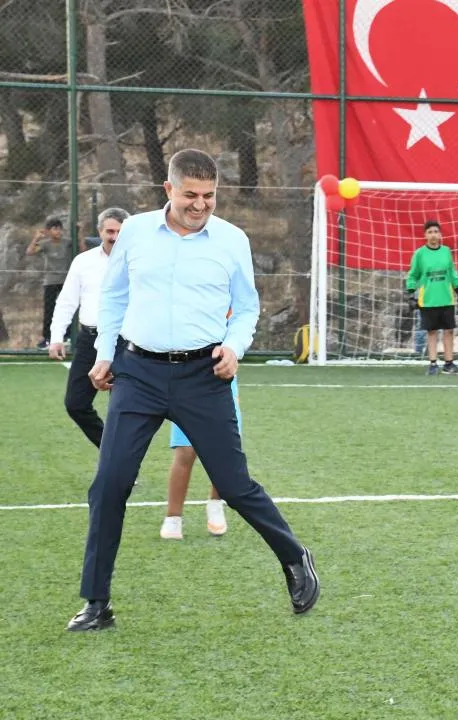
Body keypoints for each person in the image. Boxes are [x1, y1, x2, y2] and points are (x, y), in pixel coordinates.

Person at [70, 149, 317, 632]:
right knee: (109, 484)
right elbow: (115, 296)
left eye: (209, 196)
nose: (200, 205)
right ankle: (96, 603)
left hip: (204, 376)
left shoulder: (232, 240)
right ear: (169, 190)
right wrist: (104, 354)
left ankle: (295, 557)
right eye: (190, 195)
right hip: (137, 373)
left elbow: (247, 308)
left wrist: (235, 347)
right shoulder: (137, 231)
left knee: (236, 484)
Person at [48, 208, 129, 447]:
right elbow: (67, 301)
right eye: (110, 231)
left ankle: (119, 469)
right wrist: (56, 337)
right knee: (75, 404)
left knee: (122, 409)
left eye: (119, 232)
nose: (114, 237)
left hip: (124, 342)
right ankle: (112, 455)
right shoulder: (83, 262)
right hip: (89, 340)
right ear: (100, 231)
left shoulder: (137, 262)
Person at [160, 381, 239, 540]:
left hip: (220, 380)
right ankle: (173, 517)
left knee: (224, 448)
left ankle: (216, 504)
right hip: (184, 379)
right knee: (185, 451)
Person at [406, 219, 458, 375]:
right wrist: (411, 293)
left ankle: (449, 363)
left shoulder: (446, 251)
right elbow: (413, 275)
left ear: (440, 235)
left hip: (446, 298)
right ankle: (433, 364)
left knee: (449, 331)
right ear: (425, 235)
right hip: (428, 299)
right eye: (430, 232)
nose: (433, 235)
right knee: (432, 332)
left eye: (436, 232)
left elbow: (452, 272)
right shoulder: (419, 254)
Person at [27, 217, 72, 349]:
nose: (58, 231)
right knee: (49, 310)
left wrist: (79, 233)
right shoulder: (46, 244)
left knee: (67, 308)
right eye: (54, 229)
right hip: (51, 280)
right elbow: (29, 252)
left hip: (65, 280)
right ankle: (47, 339)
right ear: (48, 231)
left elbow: (82, 248)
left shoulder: (68, 242)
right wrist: (36, 238)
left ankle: (67, 337)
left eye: (60, 228)